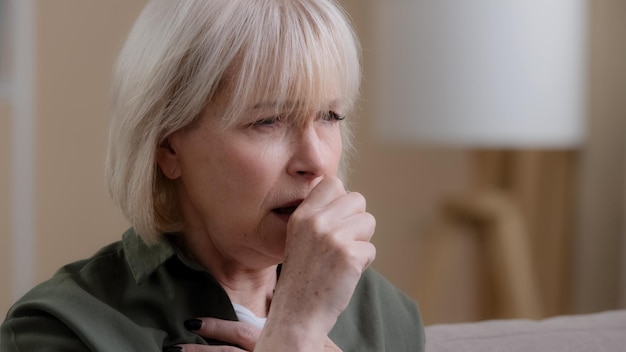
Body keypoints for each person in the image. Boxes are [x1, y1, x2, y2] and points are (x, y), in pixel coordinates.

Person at [1, 0, 425, 350]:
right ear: (167, 147)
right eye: (269, 121)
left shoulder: (387, 315)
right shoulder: (61, 327)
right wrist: (294, 335)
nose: (315, 160)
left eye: (329, 115)